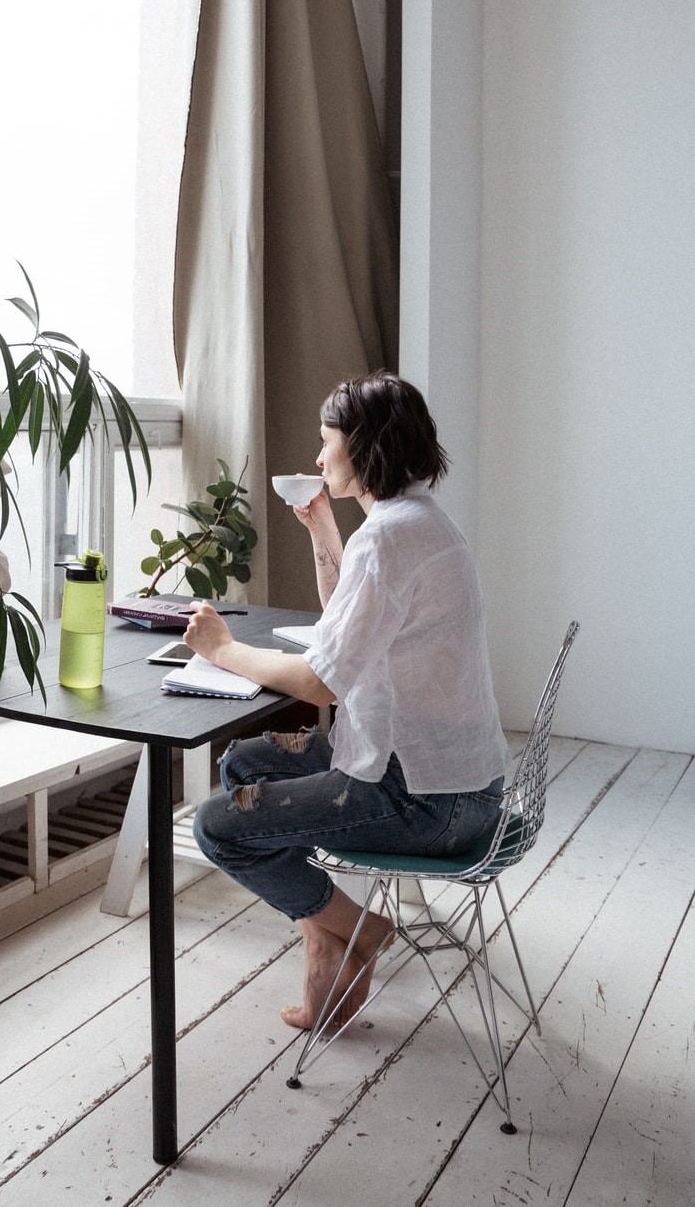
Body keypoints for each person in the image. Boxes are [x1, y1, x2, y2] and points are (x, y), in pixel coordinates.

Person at [185, 372, 508, 1032]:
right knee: (250, 763)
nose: (318, 457)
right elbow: (345, 636)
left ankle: (358, 929)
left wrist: (219, 649)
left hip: (420, 802)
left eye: (327, 441)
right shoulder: (416, 522)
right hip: (458, 788)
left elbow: (322, 681)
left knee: (219, 824)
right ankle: (323, 941)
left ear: (363, 446)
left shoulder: (390, 537)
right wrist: (323, 534)